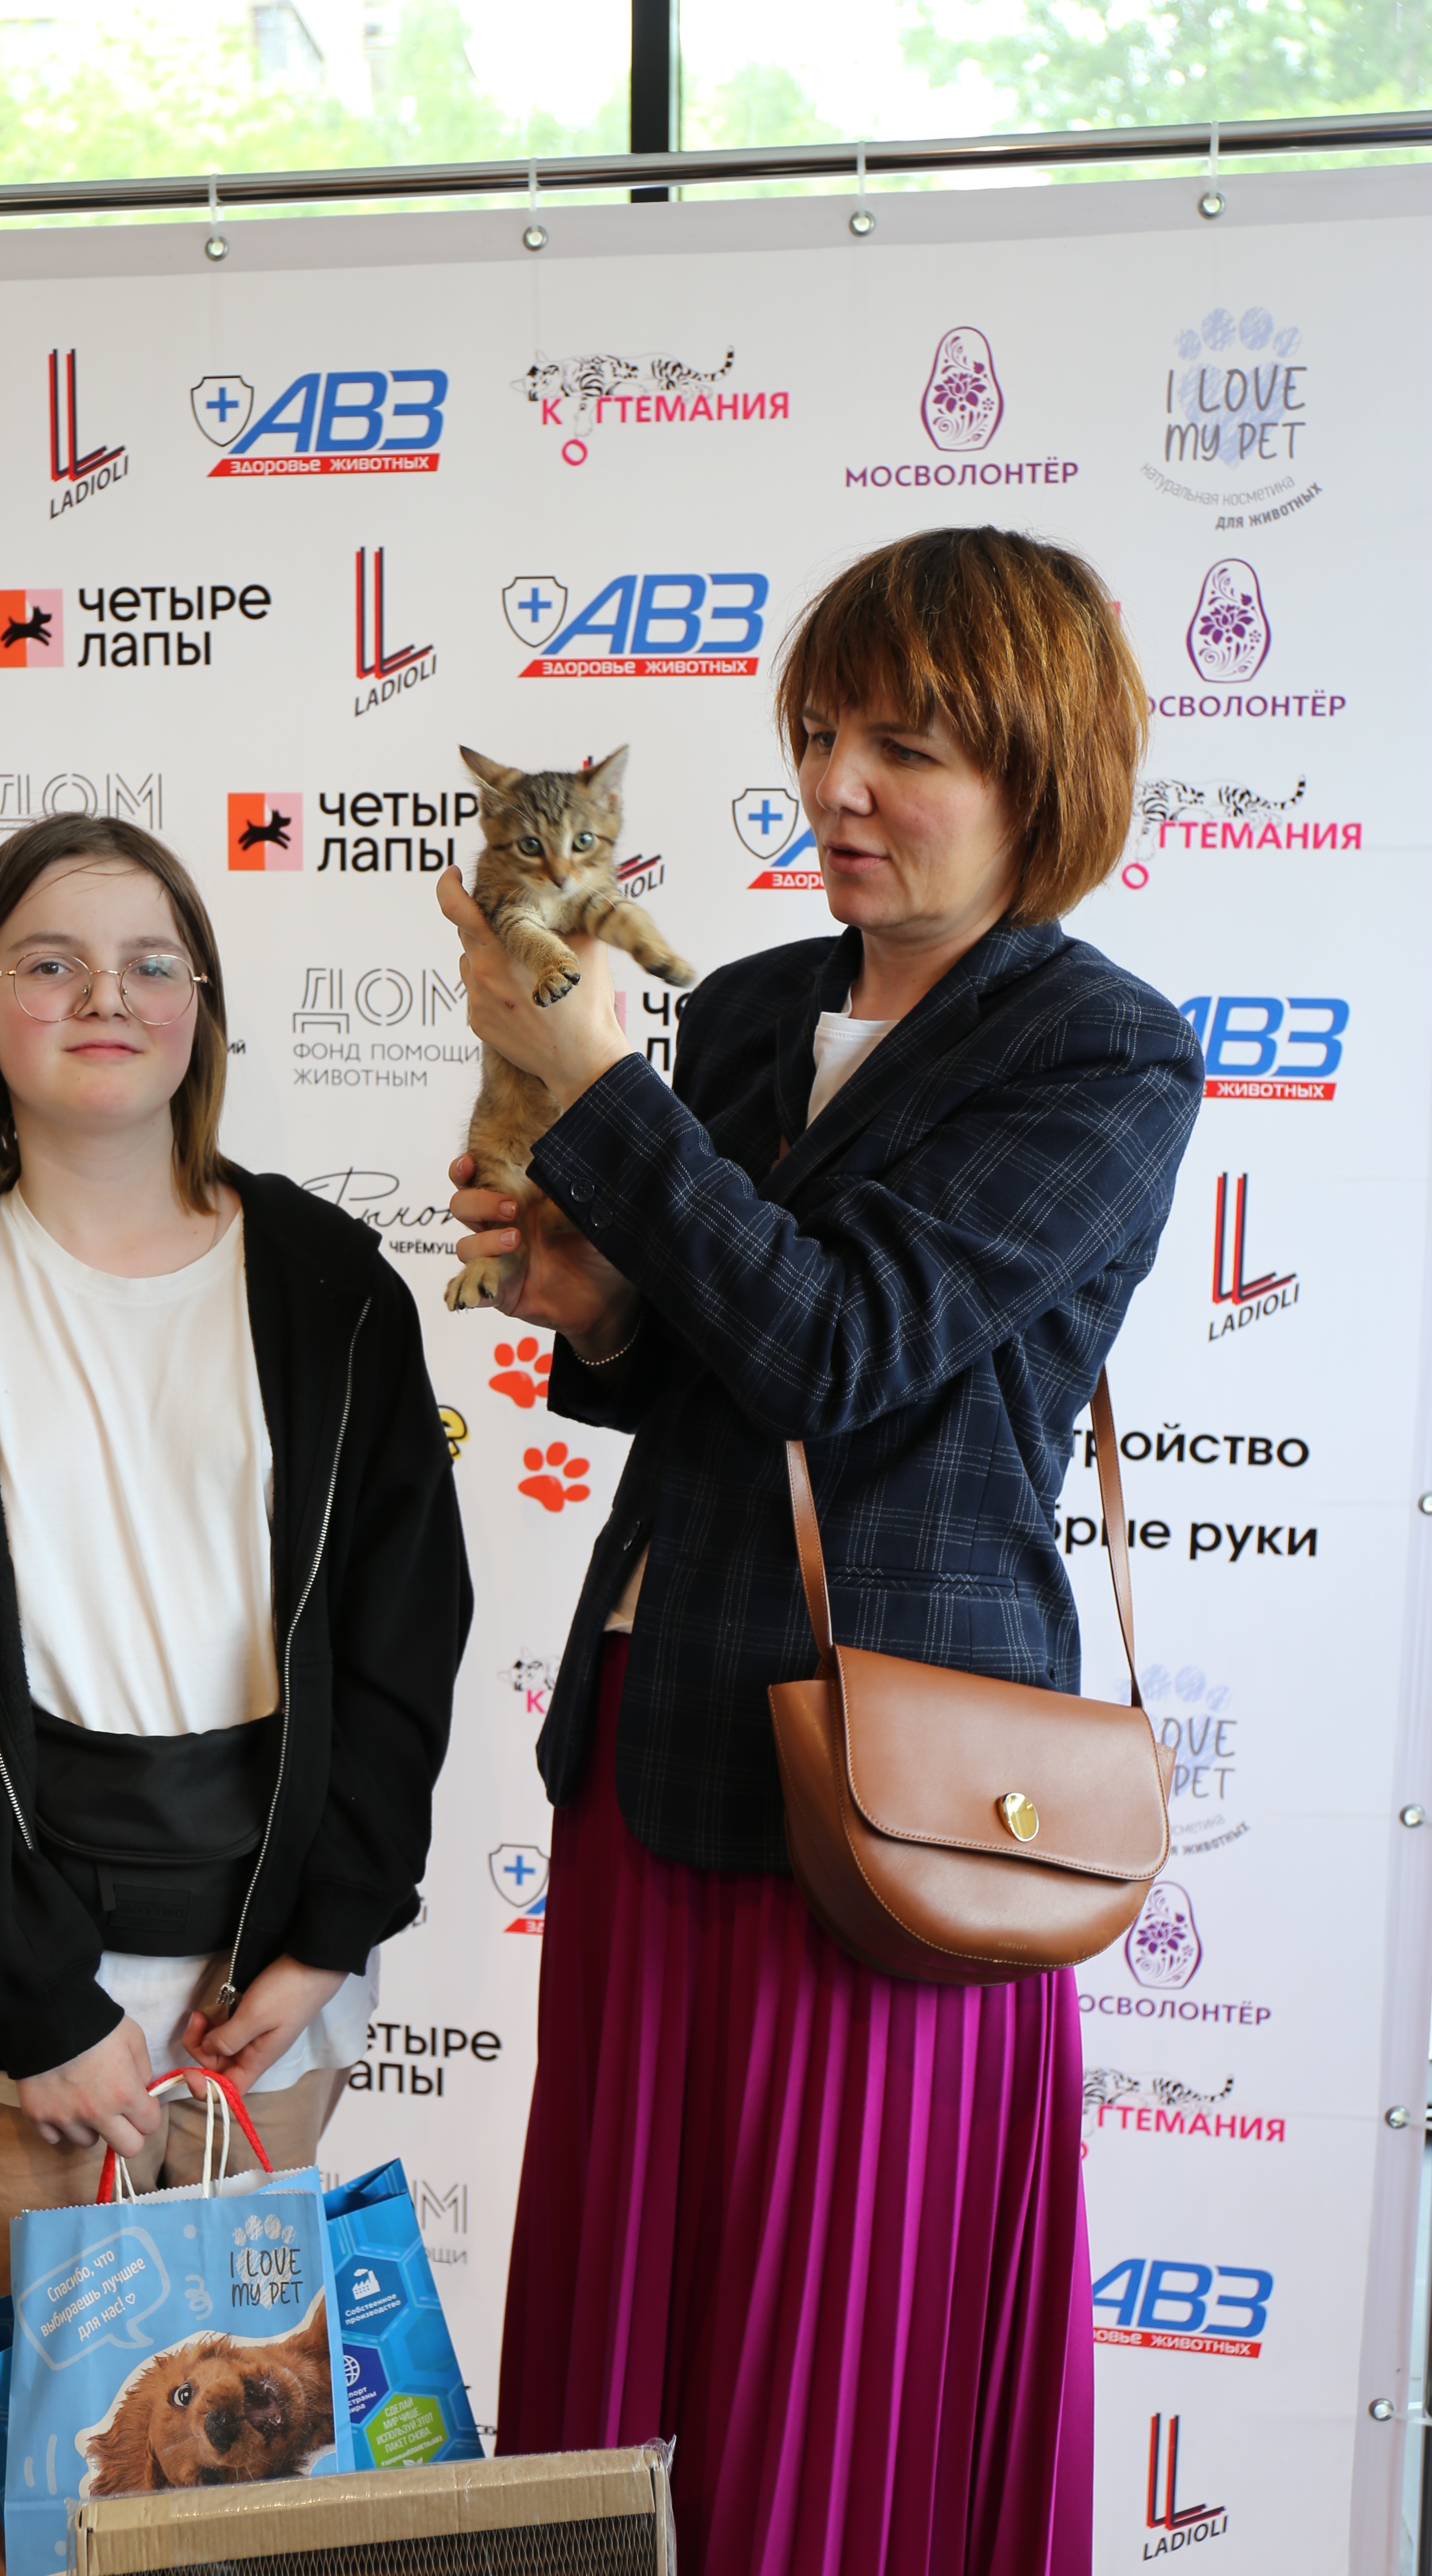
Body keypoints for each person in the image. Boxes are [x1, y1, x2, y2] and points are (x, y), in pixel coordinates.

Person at [440, 528, 1203, 2576]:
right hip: (650, 1749)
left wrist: (594, 1081)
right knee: (626, 2356)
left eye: (909, 749)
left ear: (1040, 776)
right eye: (822, 735)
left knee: (832, 2374)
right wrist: (591, 1302)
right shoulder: (758, 1002)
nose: (838, 788)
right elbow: (702, 1362)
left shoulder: (1104, 1051)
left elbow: (840, 1350)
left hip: (887, 1809)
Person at [0, 816, 469, 2576]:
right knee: (42, 2511)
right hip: (0, 2023)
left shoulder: (334, 1295)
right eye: (53, 961)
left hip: (262, 1999)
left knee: (269, 2518)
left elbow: (403, 1637)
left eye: (152, 960)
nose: (108, 993)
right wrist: (38, 2006)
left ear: (203, 1009)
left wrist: (327, 1933)